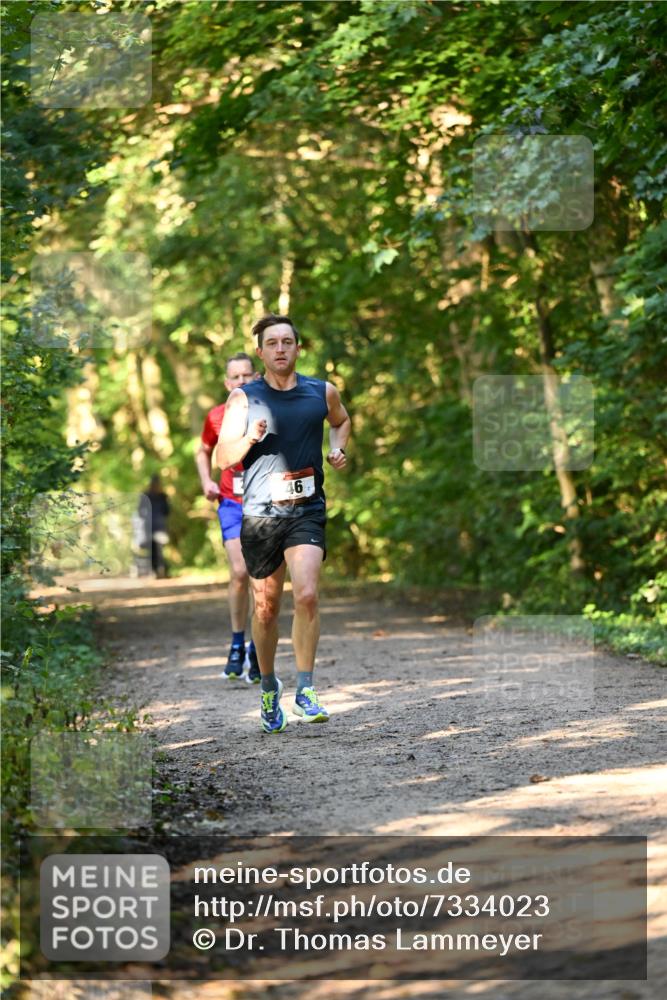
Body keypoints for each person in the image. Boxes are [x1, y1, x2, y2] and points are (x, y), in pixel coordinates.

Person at [217, 314, 351, 733]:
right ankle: (270, 686)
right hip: (260, 514)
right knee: (267, 606)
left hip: (306, 509)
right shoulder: (244, 398)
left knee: (307, 594)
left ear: (297, 348)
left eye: (287, 342)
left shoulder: (321, 391)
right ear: (261, 352)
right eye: (271, 343)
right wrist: (248, 439)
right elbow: (224, 456)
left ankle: (306, 690)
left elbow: (342, 421)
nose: (280, 348)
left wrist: (336, 449)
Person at [196, 352, 261, 682]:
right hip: (232, 503)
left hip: (265, 502)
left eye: (247, 376)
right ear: (226, 383)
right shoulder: (217, 416)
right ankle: (237, 642)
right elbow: (203, 450)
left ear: (257, 376)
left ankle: (256, 647)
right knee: (239, 571)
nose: (241, 382)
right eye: (235, 377)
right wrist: (206, 481)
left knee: (260, 577)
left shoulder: (269, 409)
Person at [141, 474, 170, 578]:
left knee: (156, 550)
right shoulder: (160, 496)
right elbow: (167, 512)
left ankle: (160, 570)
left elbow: (141, 512)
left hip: (155, 526)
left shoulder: (159, 496)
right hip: (155, 526)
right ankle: (158, 570)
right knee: (156, 550)